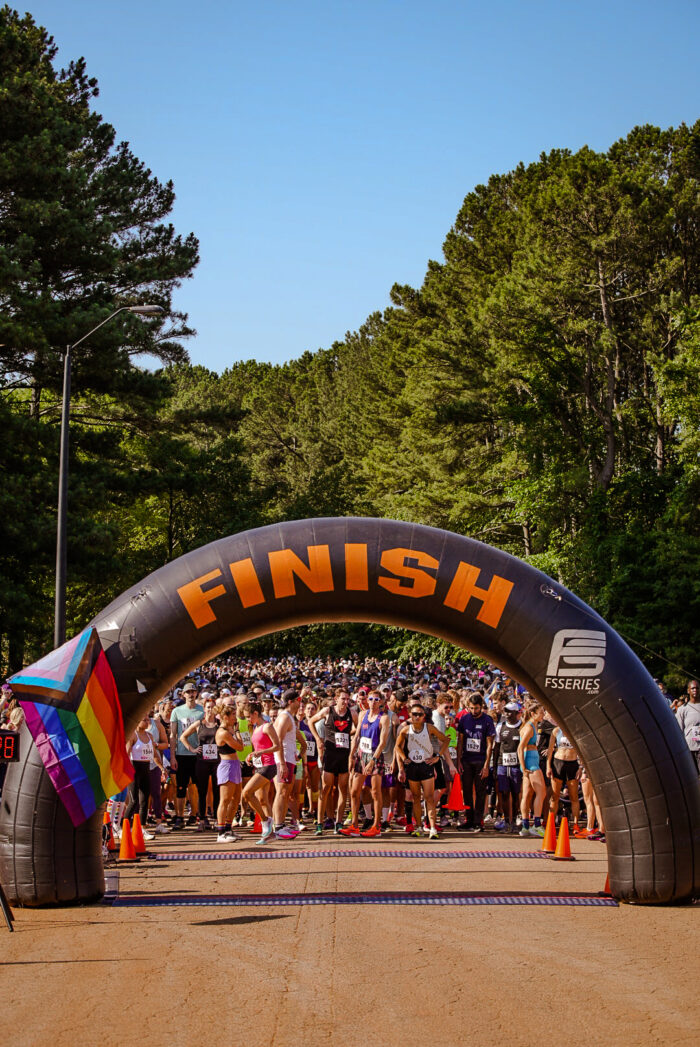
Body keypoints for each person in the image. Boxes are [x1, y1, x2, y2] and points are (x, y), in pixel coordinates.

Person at [394, 702, 448, 839]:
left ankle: (432, 828)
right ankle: (418, 827)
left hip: (426, 765)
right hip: (413, 766)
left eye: (420, 714)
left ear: (424, 716)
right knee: (416, 798)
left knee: (429, 798)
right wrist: (404, 757)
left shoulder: (429, 728)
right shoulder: (405, 730)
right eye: (414, 714)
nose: (417, 717)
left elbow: (445, 740)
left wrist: (438, 757)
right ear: (410, 716)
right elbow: (397, 746)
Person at [242, 700, 293, 842]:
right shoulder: (255, 727)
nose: (247, 719)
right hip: (259, 765)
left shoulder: (267, 726)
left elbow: (277, 746)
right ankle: (270, 833)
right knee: (263, 800)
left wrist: (262, 752)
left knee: (246, 793)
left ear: (256, 713)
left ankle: (265, 821)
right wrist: (251, 755)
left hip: (269, 766)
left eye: (248, 716)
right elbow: (258, 747)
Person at [342, 691, 390, 837]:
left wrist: (373, 761)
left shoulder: (384, 718)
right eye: (370, 699)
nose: (373, 702)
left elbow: (382, 743)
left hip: (375, 755)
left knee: (375, 792)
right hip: (361, 755)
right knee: (355, 791)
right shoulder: (363, 715)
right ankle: (354, 824)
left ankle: (376, 825)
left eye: (376, 699)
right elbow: (356, 737)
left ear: (381, 702)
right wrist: (351, 755)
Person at [309, 690, 357, 835]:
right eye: (343, 699)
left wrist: (353, 739)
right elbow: (311, 721)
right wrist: (318, 739)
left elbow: (359, 729)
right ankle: (319, 823)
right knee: (326, 788)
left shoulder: (352, 713)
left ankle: (339, 822)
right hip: (330, 754)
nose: (345, 702)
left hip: (344, 755)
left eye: (347, 699)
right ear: (336, 699)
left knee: (343, 789)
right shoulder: (327, 710)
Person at [456, 693, 496, 833]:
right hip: (466, 760)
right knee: (466, 791)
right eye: (471, 708)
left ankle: (478, 821)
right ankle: (469, 819)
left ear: (481, 707)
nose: (474, 711)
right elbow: (460, 740)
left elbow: (490, 744)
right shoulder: (464, 719)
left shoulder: (487, 720)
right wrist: (459, 761)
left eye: (477, 708)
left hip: (480, 760)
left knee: (480, 792)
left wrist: (486, 765)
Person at [181, 696, 221, 831]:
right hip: (202, 761)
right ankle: (202, 820)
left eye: (212, 707)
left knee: (217, 791)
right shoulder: (199, 724)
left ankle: (217, 819)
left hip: (217, 761)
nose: (210, 710)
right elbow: (183, 736)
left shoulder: (220, 724)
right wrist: (192, 749)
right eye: (208, 707)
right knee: (201, 791)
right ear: (204, 709)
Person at [169, 682, 204, 828]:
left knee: (196, 786)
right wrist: (172, 756)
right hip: (182, 753)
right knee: (181, 786)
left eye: (193, 691)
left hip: (198, 753)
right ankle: (179, 816)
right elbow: (173, 735)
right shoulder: (177, 711)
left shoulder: (202, 711)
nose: (191, 694)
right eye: (188, 692)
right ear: (183, 694)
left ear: (196, 693)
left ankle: (194, 814)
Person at [124, 714, 163, 839]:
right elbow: (126, 753)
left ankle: (142, 828)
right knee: (133, 800)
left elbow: (155, 754)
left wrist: (162, 768)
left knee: (145, 800)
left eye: (148, 720)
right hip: (134, 769)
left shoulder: (149, 736)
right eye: (144, 720)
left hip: (146, 768)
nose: (147, 723)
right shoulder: (133, 736)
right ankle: (123, 826)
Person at [213, 706, 244, 842]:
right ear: (225, 717)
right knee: (225, 800)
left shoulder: (229, 730)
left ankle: (228, 828)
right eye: (233, 715)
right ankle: (220, 833)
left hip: (235, 765)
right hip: (227, 766)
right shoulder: (222, 733)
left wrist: (236, 731)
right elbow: (240, 747)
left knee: (236, 799)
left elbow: (240, 746)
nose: (235, 718)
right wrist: (237, 731)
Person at [517, 704, 546, 837]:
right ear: (533, 713)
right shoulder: (529, 727)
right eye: (541, 712)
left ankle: (525, 826)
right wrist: (524, 766)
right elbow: (520, 748)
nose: (543, 714)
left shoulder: (532, 726)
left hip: (531, 760)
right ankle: (537, 825)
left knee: (527, 794)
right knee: (541, 792)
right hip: (531, 762)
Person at [546, 720, 581, 830]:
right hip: (558, 763)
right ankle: (551, 823)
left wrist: (580, 767)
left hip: (572, 763)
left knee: (574, 796)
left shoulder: (576, 731)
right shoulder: (556, 731)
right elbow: (550, 751)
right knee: (555, 796)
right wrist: (548, 766)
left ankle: (575, 824)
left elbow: (582, 751)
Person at [493, 702, 522, 833]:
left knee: (516, 793)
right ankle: (506, 821)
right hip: (502, 763)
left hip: (516, 765)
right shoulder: (501, 727)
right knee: (504, 793)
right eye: (506, 711)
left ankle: (515, 819)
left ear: (517, 713)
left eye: (510, 711)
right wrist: (494, 766)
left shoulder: (522, 727)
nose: (507, 714)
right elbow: (496, 747)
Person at [676, 679, 700, 774]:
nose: (695, 690)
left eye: (697, 688)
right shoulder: (683, 709)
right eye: (693, 688)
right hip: (689, 748)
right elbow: (679, 730)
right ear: (688, 691)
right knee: (692, 775)